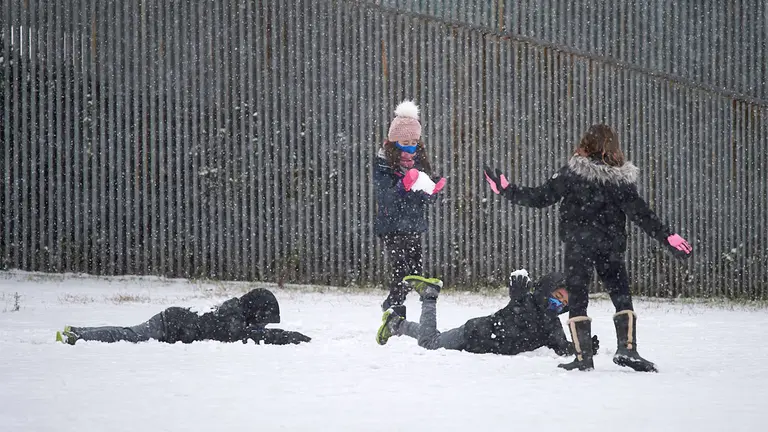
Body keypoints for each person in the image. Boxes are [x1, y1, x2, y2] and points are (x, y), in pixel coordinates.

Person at [483, 124, 693, 372]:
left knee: (578, 297)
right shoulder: (620, 181)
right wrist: (668, 236)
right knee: (620, 293)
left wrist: (508, 190)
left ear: (586, 145)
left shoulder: (572, 174)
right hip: (610, 246)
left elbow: (540, 197)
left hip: (579, 245)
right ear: (612, 148)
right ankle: (627, 349)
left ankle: (583, 357)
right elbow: (643, 215)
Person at [376, 272, 599, 358]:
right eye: (558, 295)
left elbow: (562, 348)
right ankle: (429, 295)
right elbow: (514, 320)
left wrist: (584, 347)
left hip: (479, 341)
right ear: (547, 289)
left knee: (433, 336)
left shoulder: (552, 324)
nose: (558, 303)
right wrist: (517, 298)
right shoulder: (526, 302)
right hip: (473, 335)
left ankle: (395, 323)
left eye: (563, 303)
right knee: (429, 341)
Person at [374, 100, 446, 319]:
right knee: (400, 268)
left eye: (415, 141)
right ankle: (394, 308)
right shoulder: (383, 163)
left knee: (415, 271)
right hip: (392, 226)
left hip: (413, 224)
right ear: (394, 142)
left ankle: (393, 302)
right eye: (406, 141)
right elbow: (386, 198)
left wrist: (430, 191)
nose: (411, 146)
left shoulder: (419, 162)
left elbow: (421, 199)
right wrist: (402, 186)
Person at [55, 288, 311, 345]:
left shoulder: (234, 313)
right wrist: (286, 337)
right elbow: (252, 336)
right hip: (172, 325)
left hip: (174, 320)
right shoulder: (233, 322)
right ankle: (78, 335)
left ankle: (80, 330)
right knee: (130, 336)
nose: (262, 324)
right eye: (263, 319)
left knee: (129, 332)